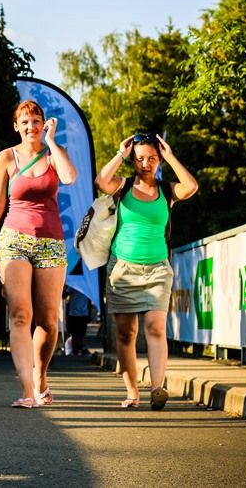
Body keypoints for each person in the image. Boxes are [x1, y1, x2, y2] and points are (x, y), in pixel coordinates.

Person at [0, 100, 77, 408]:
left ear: (43, 124)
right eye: (25, 121)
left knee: (48, 320)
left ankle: (41, 376)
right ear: (16, 126)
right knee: (21, 315)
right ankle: (27, 389)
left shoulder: (53, 154)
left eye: (36, 121)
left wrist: (51, 142)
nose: (31, 126)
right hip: (14, 239)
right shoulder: (6, 157)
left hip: (51, 243)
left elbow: (70, 178)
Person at [94, 132, 198, 410]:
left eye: (152, 158)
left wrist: (171, 156)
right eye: (140, 158)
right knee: (126, 334)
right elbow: (101, 181)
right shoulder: (123, 187)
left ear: (158, 159)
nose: (146, 163)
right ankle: (132, 392)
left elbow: (191, 186)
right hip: (123, 269)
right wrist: (119, 153)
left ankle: (157, 388)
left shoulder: (166, 191)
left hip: (157, 270)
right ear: (133, 160)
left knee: (155, 327)